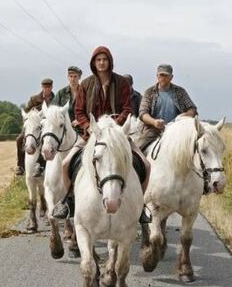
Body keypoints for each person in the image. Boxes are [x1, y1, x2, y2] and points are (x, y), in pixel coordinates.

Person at [52, 46, 150, 223]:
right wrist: (88, 127)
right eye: (98, 60)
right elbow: (79, 111)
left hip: (117, 135)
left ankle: (141, 207)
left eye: (104, 59)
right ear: (93, 63)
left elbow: (127, 109)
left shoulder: (122, 83)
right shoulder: (86, 84)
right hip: (91, 135)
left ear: (110, 61)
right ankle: (70, 202)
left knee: (146, 164)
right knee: (66, 164)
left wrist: (114, 127)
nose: (102, 63)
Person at [136, 64, 197, 150]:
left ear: (171, 77)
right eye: (161, 75)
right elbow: (143, 113)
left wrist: (187, 115)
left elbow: (192, 108)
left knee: (197, 147)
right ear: (157, 76)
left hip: (177, 130)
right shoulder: (149, 92)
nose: (163, 78)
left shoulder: (180, 91)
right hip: (154, 130)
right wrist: (154, 122)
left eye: (166, 75)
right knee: (138, 149)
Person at [15, 78, 54, 176]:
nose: (47, 89)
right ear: (42, 87)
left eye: (49, 87)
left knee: (46, 141)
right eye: (45, 87)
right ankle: (20, 166)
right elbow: (27, 113)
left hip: (48, 126)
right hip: (34, 126)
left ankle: (40, 165)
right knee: (19, 139)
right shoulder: (34, 98)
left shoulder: (56, 99)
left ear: (52, 87)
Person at [52, 65, 83, 134]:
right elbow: (53, 110)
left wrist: (80, 120)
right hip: (64, 130)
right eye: (71, 76)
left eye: (75, 76)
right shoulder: (61, 93)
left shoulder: (85, 92)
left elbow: (91, 110)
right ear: (68, 77)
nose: (73, 79)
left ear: (79, 77)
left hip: (82, 130)